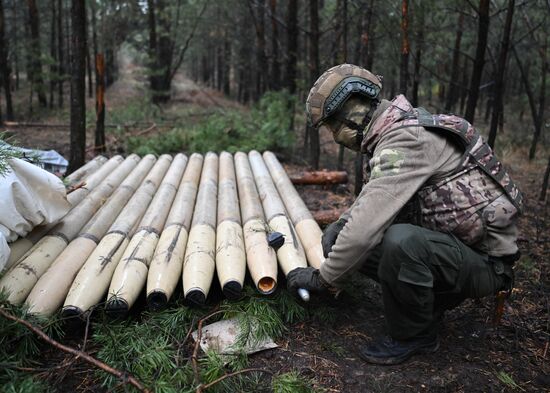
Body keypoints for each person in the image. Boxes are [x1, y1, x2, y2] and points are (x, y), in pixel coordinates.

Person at [287, 64, 522, 365]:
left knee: (401, 242)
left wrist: (323, 279)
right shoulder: (393, 135)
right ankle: (428, 299)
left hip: (487, 265)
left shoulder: (405, 140)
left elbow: (364, 232)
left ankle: (415, 335)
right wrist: (340, 228)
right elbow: (368, 207)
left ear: (354, 114)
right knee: (340, 234)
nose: (335, 137)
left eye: (334, 126)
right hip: (453, 247)